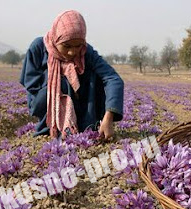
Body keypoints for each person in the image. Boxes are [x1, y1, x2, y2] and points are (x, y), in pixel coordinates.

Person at [19, 10, 124, 140]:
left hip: (80, 104)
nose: (72, 52)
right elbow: (32, 86)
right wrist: (61, 83)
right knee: (61, 80)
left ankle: (88, 124)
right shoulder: (39, 47)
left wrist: (109, 116)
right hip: (45, 103)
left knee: (94, 74)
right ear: (56, 38)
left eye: (78, 46)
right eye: (66, 45)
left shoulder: (86, 51)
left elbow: (113, 79)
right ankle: (54, 127)